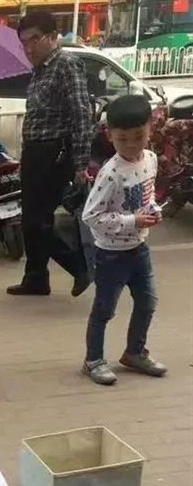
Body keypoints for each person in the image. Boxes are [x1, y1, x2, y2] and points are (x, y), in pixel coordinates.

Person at [81, 95, 167, 385]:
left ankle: (134, 352)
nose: (131, 145)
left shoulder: (150, 159)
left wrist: (153, 211)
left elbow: (147, 196)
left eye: (138, 137)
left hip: (139, 248)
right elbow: (91, 216)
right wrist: (132, 221)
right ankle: (93, 360)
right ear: (110, 136)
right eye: (122, 139)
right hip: (111, 255)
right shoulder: (110, 173)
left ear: (150, 128)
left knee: (147, 302)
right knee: (104, 310)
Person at [7, 11, 92, 297]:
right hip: (35, 153)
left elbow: (81, 114)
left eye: (34, 39)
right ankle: (36, 277)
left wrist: (80, 164)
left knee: (37, 221)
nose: (28, 48)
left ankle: (79, 267)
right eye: (24, 42)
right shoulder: (41, 70)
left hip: (54, 153)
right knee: (31, 218)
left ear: (53, 36)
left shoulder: (65, 65)